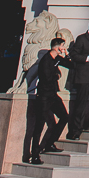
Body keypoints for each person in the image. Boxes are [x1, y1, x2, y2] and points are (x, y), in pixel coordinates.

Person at [29, 36, 72, 164]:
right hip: (43, 97)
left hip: (53, 95)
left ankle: (49, 144)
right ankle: (35, 155)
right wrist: (57, 74)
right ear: (58, 46)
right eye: (63, 46)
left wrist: (67, 55)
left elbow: (71, 65)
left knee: (64, 117)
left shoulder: (58, 59)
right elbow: (47, 77)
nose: (64, 48)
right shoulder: (46, 60)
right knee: (39, 125)